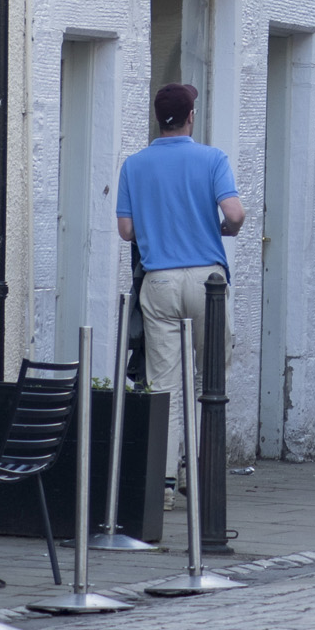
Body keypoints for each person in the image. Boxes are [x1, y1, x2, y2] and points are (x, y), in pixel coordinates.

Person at [116, 82, 244, 477]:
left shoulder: (134, 165)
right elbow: (235, 214)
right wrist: (223, 228)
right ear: (191, 117)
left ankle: (165, 483)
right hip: (209, 283)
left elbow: (126, 230)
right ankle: (201, 474)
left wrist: (159, 226)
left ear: (159, 119)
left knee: (164, 386)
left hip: (161, 282)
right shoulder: (212, 159)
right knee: (211, 381)